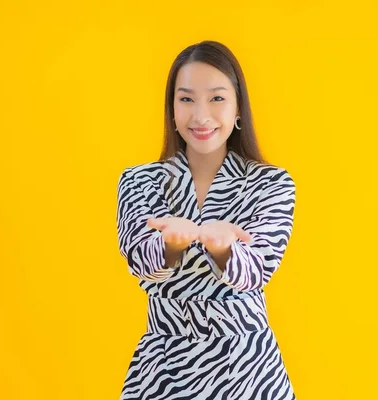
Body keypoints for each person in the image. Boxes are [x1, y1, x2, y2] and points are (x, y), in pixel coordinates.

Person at [116, 40, 297, 400]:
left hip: (249, 369)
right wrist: (170, 244)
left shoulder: (272, 183)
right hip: (163, 369)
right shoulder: (139, 180)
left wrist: (224, 248)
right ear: (171, 109)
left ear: (238, 108)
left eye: (216, 98)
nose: (201, 116)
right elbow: (137, 260)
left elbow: (257, 271)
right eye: (186, 99)